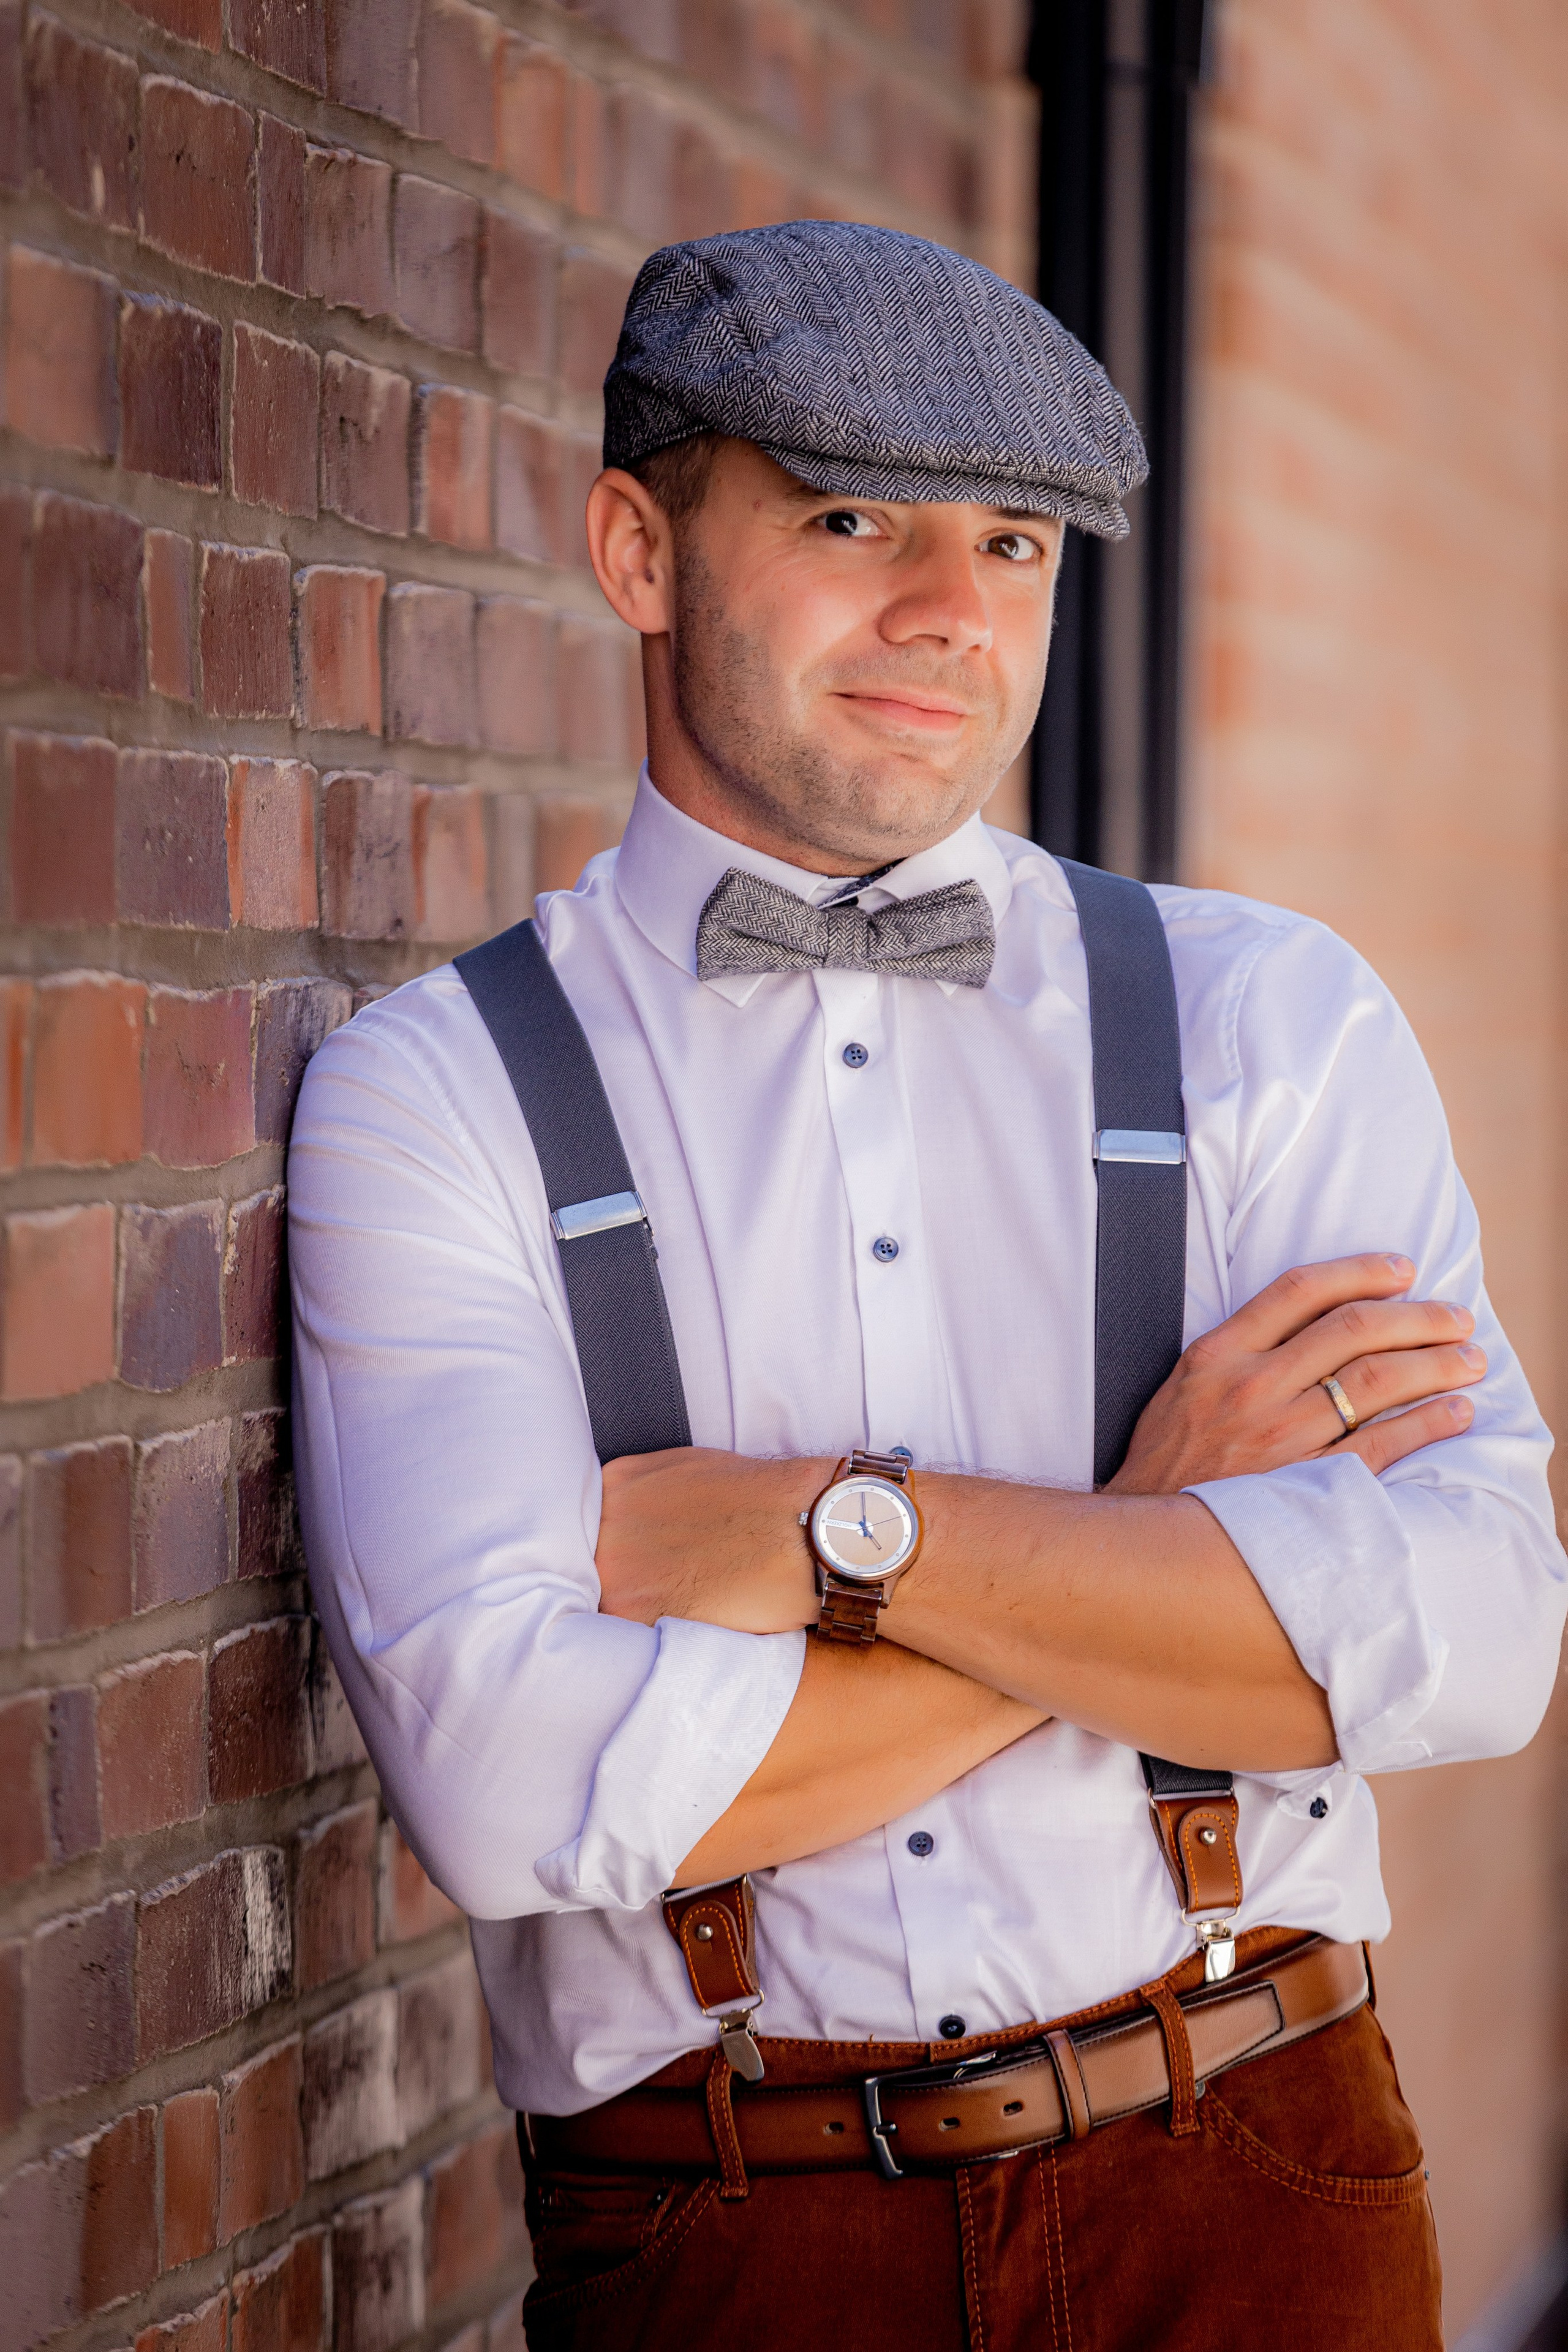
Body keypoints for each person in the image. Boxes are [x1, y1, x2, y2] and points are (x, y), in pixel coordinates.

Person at [287, 222, 1566, 2351]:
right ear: (636, 547)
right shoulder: (439, 1096)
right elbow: (516, 1792)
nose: (951, 614)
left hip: (1255, 2176)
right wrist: (1167, 1556)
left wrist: (825, 1542)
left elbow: (1474, 1636)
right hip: (731, 2235)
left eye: (1018, 544)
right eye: (852, 518)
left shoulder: (1270, 1020)